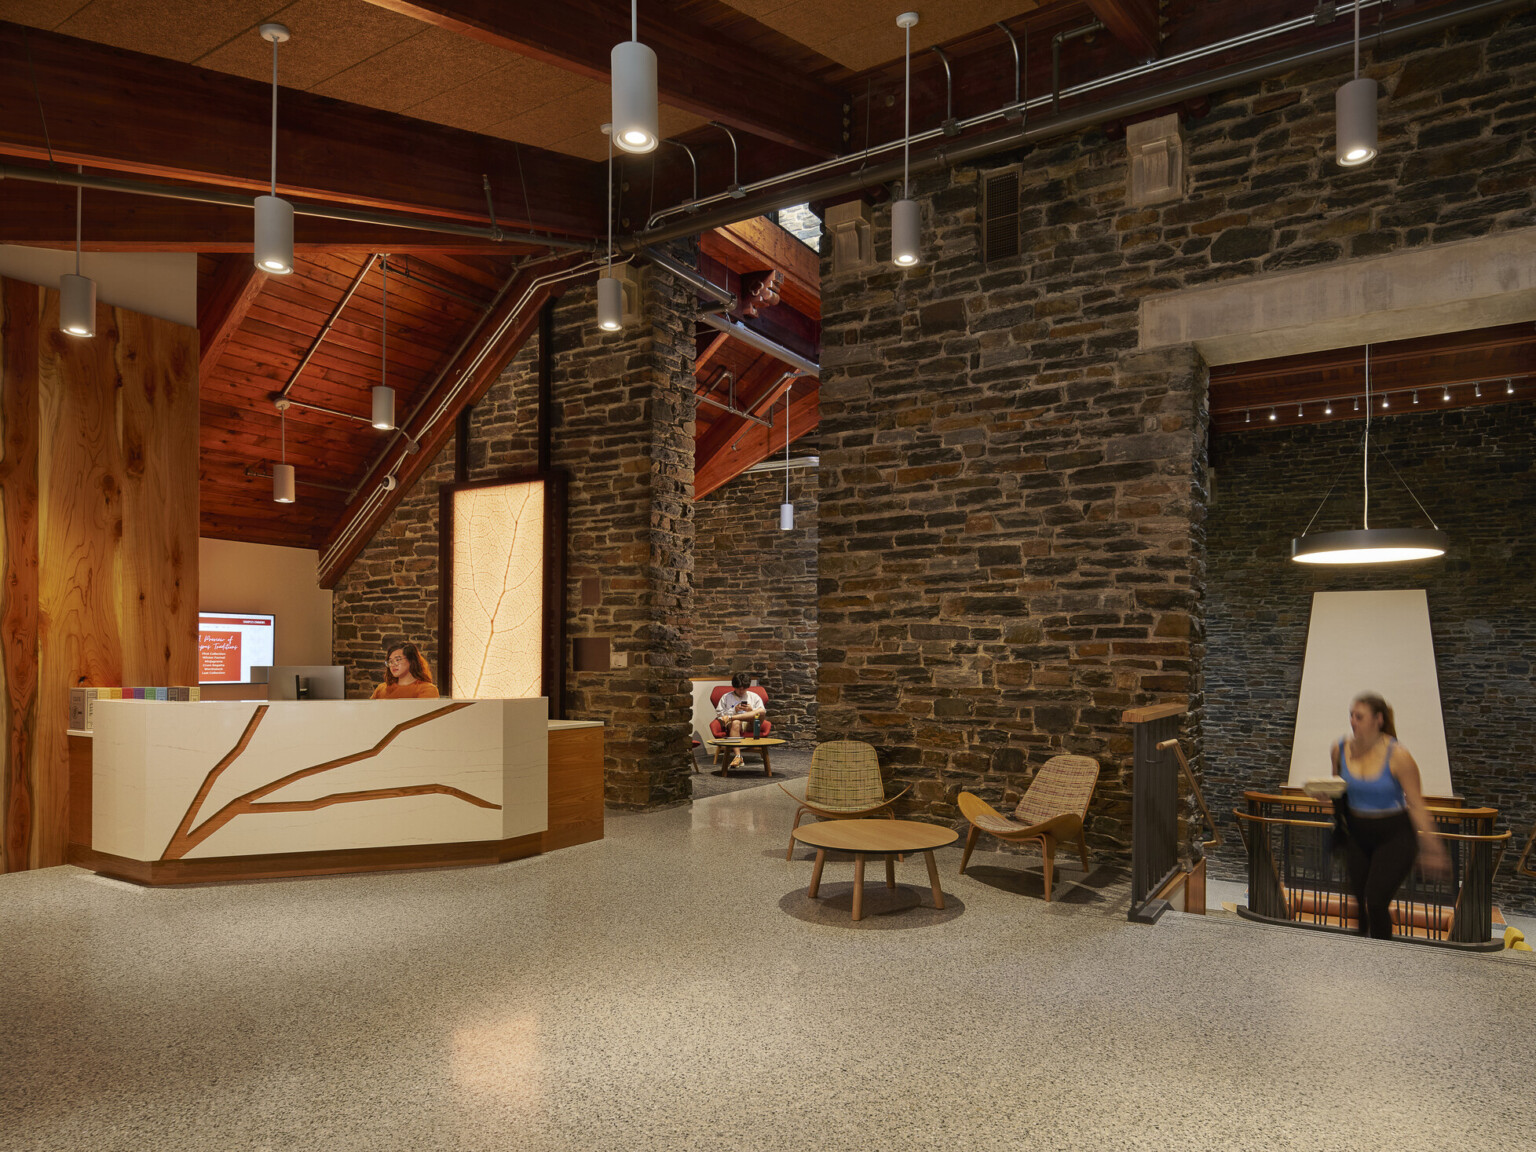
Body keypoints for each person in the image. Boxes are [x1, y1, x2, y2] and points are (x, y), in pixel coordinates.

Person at [1330, 692, 1448, 940]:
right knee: (1359, 902)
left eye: (1359, 716)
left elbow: (1416, 804)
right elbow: (1338, 789)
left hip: (1394, 835)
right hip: (1358, 833)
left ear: (1378, 719)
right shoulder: (1339, 749)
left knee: (1375, 901)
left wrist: (1433, 849)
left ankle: (1384, 960)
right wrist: (1323, 795)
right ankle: (1359, 956)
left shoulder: (1398, 756)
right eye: (1351, 715)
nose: (1353, 720)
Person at [714, 672, 766, 770]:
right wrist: (734, 711)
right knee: (736, 722)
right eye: (739, 688)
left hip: (750, 723)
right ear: (734, 686)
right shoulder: (726, 697)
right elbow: (720, 714)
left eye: (744, 689)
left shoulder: (754, 696)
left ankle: (733, 718)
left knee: (761, 711)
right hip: (733, 724)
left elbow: (761, 711)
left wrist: (751, 710)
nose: (741, 691)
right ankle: (738, 756)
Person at [372, 642, 440, 700]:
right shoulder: (381, 689)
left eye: (397, 660)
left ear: (411, 660)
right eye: (390, 661)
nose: (393, 665)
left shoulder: (427, 689)